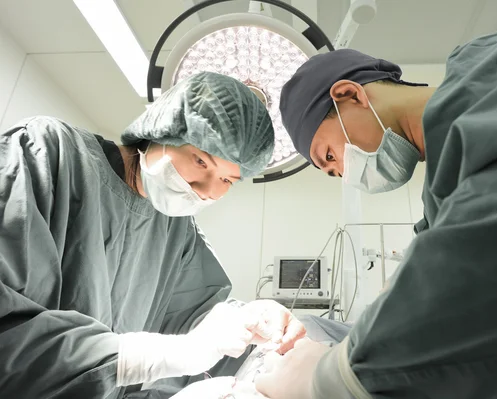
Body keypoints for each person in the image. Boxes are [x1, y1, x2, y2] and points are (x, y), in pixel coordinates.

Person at [256, 30, 497, 399]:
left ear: (349, 94)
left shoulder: (494, 63)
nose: (344, 173)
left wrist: (328, 380)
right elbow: (421, 303)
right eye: (334, 173)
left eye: (330, 156)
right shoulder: (442, 201)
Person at [0, 71, 306, 399]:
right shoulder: (48, 153)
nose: (208, 192)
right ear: (162, 128)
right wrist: (143, 360)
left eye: (228, 180)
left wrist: (251, 320)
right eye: (201, 161)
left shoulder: (178, 234)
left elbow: (197, 322)